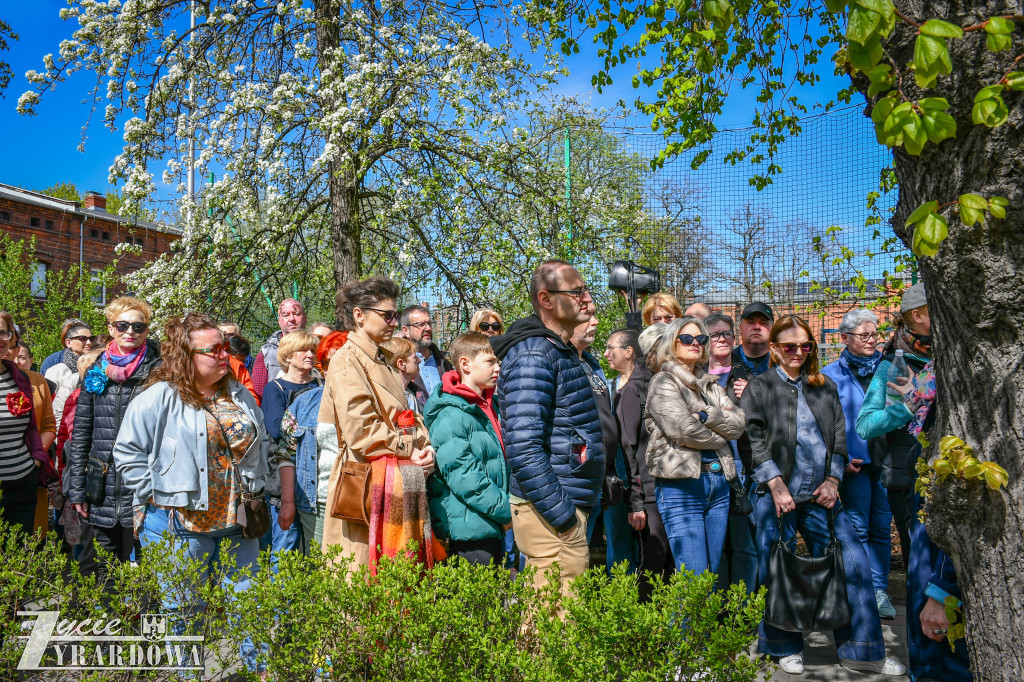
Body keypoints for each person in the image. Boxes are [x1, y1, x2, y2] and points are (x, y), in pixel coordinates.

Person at [741, 314, 905, 677]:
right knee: (776, 569)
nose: (797, 352)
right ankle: (783, 647)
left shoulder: (823, 386)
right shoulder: (760, 387)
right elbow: (750, 440)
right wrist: (774, 483)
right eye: (789, 346)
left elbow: (839, 438)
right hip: (776, 496)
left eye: (804, 345)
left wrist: (833, 480)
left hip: (822, 495)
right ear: (774, 349)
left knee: (855, 564)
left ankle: (863, 651)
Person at [112, 313, 270, 676]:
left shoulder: (239, 393)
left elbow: (261, 443)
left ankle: (256, 673)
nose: (222, 354)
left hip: (237, 521)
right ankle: (188, 675)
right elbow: (126, 452)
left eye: (225, 347)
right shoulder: (159, 397)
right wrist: (155, 493)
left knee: (249, 605)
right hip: (179, 524)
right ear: (186, 355)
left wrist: (258, 483)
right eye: (213, 349)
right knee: (185, 612)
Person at [855, 284, 963, 681]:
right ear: (918, 314)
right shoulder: (892, 364)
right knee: (924, 579)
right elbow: (866, 424)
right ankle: (927, 669)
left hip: (954, 480)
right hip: (910, 484)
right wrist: (908, 406)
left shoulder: (954, 354)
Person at [490, 260, 604, 601]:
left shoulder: (557, 350)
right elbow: (523, 447)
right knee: (556, 624)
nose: (589, 300)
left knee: (551, 621)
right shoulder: (534, 355)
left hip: (563, 503)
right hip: (551, 511)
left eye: (586, 290)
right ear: (546, 299)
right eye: (577, 291)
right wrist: (565, 518)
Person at [319, 277, 436, 572]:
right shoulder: (346, 361)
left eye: (395, 315)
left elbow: (410, 415)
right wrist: (411, 449)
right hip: (363, 490)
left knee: (397, 591)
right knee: (362, 592)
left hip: (395, 487)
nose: (394, 322)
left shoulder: (383, 358)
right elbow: (362, 432)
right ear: (359, 315)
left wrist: (426, 448)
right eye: (387, 315)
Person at [68, 297, 162, 585]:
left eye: (138, 326)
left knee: (151, 569)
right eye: (122, 325)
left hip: (146, 483)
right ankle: (108, 626)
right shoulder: (95, 369)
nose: (130, 331)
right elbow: (81, 431)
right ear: (111, 328)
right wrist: (77, 489)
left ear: (147, 330)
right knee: (103, 567)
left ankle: (146, 626)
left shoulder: (160, 370)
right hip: (102, 483)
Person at [644, 316, 745, 578]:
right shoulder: (664, 382)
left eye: (701, 339)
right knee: (694, 579)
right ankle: (681, 622)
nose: (695, 343)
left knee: (710, 577)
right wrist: (721, 437)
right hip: (681, 488)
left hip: (719, 485)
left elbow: (738, 424)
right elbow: (683, 430)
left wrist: (707, 416)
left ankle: (702, 622)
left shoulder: (710, 384)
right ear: (671, 343)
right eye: (686, 338)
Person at [821, 308, 896, 620]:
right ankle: (861, 589)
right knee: (858, 528)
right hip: (854, 465)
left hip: (890, 462)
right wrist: (837, 460)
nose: (871, 340)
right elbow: (824, 424)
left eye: (874, 334)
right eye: (863, 335)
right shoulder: (829, 374)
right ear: (844, 338)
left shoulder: (891, 367)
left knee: (881, 527)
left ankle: (879, 590)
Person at [423, 332, 509, 566]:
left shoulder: (490, 406)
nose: (498, 368)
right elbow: (465, 477)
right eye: (490, 361)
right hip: (468, 533)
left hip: (491, 524)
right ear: (465, 364)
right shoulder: (450, 415)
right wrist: (508, 511)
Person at [606, 328, 670, 600]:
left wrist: (637, 501)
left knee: (658, 566)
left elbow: (631, 448)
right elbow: (631, 448)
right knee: (658, 565)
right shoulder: (642, 385)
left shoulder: (638, 387)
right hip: (654, 491)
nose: (606, 353)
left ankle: (655, 629)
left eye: (611, 348)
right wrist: (638, 501)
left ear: (629, 351)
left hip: (654, 491)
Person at [571, 304, 634, 573]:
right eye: (588, 318)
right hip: (576, 475)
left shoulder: (592, 364)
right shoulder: (562, 361)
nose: (595, 322)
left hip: (603, 476)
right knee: (572, 555)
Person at [276, 331, 349, 552]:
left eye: (342, 362)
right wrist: (287, 503)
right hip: (316, 503)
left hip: (359, 501)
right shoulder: (303, 403)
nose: (333, 369)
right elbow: (286, 454)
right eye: (327, 363)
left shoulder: (372, 402)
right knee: (320, 571)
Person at [704, 312, 758, 595]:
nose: (722, 339)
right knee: (714, 544)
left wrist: (752, 395)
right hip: (707, 464)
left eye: (726, 333)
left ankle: (742, 610)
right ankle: (716, 609)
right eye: (714, 335)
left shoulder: (749, 374)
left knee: (743, 540)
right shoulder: (694, 376)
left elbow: (765, 420)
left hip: (743, 465)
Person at [0, 311, 58, 535]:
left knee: (19, 555)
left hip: (22, 482)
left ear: (12, 338)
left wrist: (34, 463)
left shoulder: (21, 378)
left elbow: (33, 427)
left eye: (3, 332)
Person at [251, 299, 307, 401]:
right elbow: (257, 396)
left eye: (296, 314)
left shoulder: (317, 349)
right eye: (286, 315)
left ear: (305, 317)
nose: (291, 319)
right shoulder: (266, 353)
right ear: (279, 321)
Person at [45, 321, 95, 424]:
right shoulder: (56, 370)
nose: (89, 342)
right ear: (68, 342)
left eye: (92, 339)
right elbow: (48, 408)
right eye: (82, 339)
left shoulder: (96, 367)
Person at [400, 304, 452, 397]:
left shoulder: (444, 364)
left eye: (429, 323)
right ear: (406, 330)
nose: (428, 328)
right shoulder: (398, 366)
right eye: (421, 324)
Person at [382, 337, 430, 414]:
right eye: (414, 357)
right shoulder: (386, 399)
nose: (419, 360)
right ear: (401, 364)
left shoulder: (417, 394)